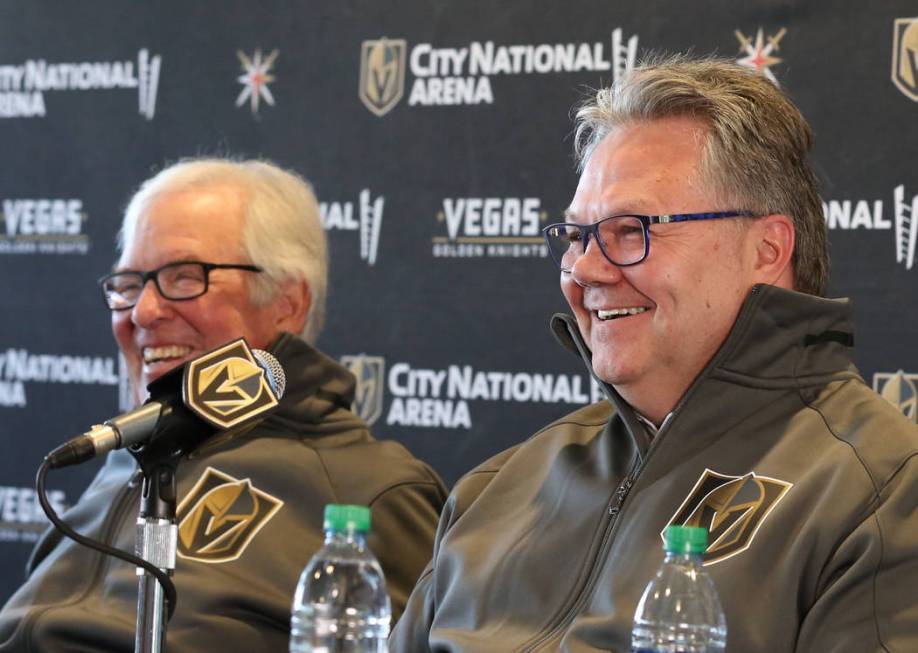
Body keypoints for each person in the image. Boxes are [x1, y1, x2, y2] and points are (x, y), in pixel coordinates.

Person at [391, 55, 918, 652]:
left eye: (630, 230)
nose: (585, 270)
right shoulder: (497, 487)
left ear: (767, 249)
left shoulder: (881, 491)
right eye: (577, 236)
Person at [0, 158, 447, 651]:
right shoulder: (131, 455)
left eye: (186, 278)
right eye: (129, 285)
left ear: (287, 302)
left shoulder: (371, 489)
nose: (144, 312)